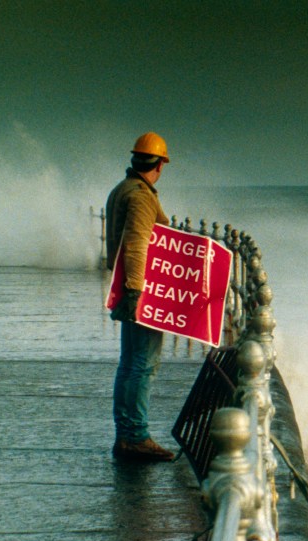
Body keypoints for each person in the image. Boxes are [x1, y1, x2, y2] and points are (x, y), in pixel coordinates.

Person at [105, 132, 176, 461]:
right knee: (142, 366)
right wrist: (137, 293)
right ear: (160, 164)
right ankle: (135, 436)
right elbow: (136, 244)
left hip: (129, 288)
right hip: (143, 291)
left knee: (129, 364)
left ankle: (127, 433)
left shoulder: (122, 189)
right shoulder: (141, 197)